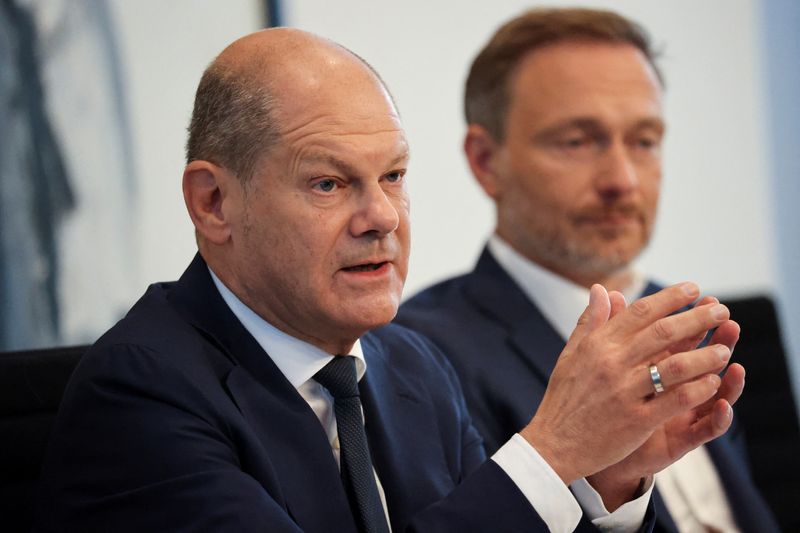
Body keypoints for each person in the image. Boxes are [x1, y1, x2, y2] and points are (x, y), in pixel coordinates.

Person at [37, 27, 741, 532]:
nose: (381, 216)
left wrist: (609, 478)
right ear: (213, 203)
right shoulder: (137, 394)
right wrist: (550, 453)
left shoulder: (413, 365)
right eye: (328, 182)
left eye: (394, 176)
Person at [396, 7, 779, 533]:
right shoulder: (419, 357)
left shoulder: (700, 324)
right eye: (577, 141)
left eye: (644, 140)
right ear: (486, 161)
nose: (622, 180)